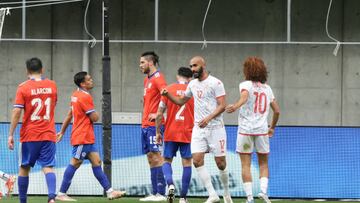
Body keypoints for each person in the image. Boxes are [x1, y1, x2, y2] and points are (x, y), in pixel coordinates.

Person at [161, 56, 233, 203]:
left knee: (221, 163)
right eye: (191, 66)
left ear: (203, 65)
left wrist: (208, 118)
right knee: (197, 160)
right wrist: (168, 95)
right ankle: (212, 195)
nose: (193, 69)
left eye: (195, 66)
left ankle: (226, 193)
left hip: (216, 128)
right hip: (198, 129)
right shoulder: (192, 84)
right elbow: (181, 101)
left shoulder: (216, 83)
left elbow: (222, 105)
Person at [55, 71, 125, 201]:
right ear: (82, 83)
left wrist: (62, 131)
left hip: (87, 137)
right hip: (82, 136)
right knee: (75, 163)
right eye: (89, 79)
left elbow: (70, 115)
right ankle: (61, 193)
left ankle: (110, 191)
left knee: (96, 161)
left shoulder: (75, 95)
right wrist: (102, 108)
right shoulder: (85, 97)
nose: (92, 80)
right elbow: (95, 118)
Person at [225, 56, 280, 203]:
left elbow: (244, 98)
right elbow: (277, 111)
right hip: (262, 130)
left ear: (247, 70)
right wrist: (272, 128)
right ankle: (263, 192)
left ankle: (249, 197)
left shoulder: (246, 84)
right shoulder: (267, 89)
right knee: (263, 163)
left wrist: (235, 106)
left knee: (245, 164)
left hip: (245, 130)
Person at [8, 57, 57, 203]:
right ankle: (51, 198)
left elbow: (17, 112)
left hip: (30, 135)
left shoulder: (23, 87)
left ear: (27, 71)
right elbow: (53, 104)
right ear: (42, 70)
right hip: (48, 133)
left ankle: (23, 201)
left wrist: (10, 134)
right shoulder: (52, 85)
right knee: (48, 167)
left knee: (24, 168)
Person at [155, 67, 194, 203]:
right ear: (190, 78)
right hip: (188, 132)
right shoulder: (193, 90)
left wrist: (158, 132)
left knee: (166, 160)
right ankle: (183, 197)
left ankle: (170, 185)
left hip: (171, 131)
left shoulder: (168, 89)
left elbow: (159, 114)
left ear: (178, 76)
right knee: (187, 163)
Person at [139, 51, 167, 202]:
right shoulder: (147, 80)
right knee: (151, 158)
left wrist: (158, 114)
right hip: (145, 124)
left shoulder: (158, 78)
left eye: (142, 62)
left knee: (157, 156)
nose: (140, 65)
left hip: (153, 125)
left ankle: (162, 193)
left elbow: (166, 95)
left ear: (150, 63)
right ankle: (155, 192)